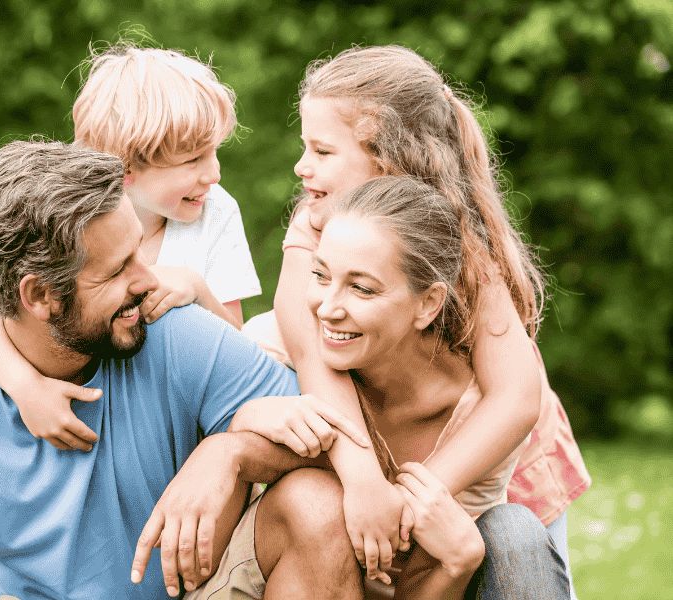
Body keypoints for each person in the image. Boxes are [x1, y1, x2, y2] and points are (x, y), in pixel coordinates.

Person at [0, 139, 375, 600]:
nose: (147, 278)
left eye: (140, 251)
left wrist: (231, 453)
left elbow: (342, 444)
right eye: (118, 270)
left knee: (316, 504)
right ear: (39, 296)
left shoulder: (172, 329)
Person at [240, 45, 589, 596]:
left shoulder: (459, 238)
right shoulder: (316, 223)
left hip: (493, 444)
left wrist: (411, 499)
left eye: (322, 150)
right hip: (392, 443)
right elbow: (308, 346)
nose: (301, 167)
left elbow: (518, 398)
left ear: (382, 153)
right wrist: (365, 484)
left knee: (519, 549)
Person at [0, 43, 261, 451]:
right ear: (125, 168)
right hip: (94, 422)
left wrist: (197, 288)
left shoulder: (214, 211)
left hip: (178, 434)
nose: (213, 173)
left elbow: (238, 350)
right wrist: (27, 388)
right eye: (193, 160)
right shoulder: (74, 216)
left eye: (215, 152)